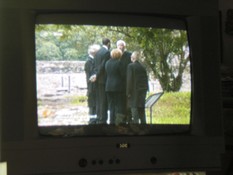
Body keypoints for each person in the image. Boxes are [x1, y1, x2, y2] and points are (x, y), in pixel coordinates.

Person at [90, 38, 111, 124]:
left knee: (99, 99)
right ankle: (102, 118)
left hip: (97, 80)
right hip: (103, 80)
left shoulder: (98, 52)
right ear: (109, 43)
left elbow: (95, 65)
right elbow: (103, 66)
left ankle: (99, 116)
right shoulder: (106, 53)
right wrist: (97, 75)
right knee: (103, 100)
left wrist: (95, 75)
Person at [126, 51, 149, 124]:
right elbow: (145, 80)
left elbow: (129, 80)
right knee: (142, 111)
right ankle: (144, 126)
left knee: (134, 110)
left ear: (132, 58)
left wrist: (128, 92)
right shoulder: (142, 67)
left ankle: (136, 127)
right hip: (142, 92)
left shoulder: (130, 66)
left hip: (134, 92)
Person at [105, 48, 124, 124]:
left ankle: (111, 121)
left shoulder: (107, 63)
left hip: (108, 86)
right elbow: (122, 75)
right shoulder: (119, 63)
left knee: (111, 105)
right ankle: (118, 122)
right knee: (118, 104)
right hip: (117, 87)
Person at [116, 40, 132, 123]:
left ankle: (128, 117)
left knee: (127, 101)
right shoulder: (115, 55)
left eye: (121, 45)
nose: (120, 47)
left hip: (126, 82)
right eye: (118, 45)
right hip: (118, 83)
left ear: (124, 46)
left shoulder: (129, 55)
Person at [84, 44, 100, 123]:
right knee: (92, 105)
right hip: (92, 86)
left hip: (94, 86)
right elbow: (90, 76)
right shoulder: (89, 62)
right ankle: (92, 120)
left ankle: (94, 119)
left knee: (94, 104)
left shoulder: (92, 61)